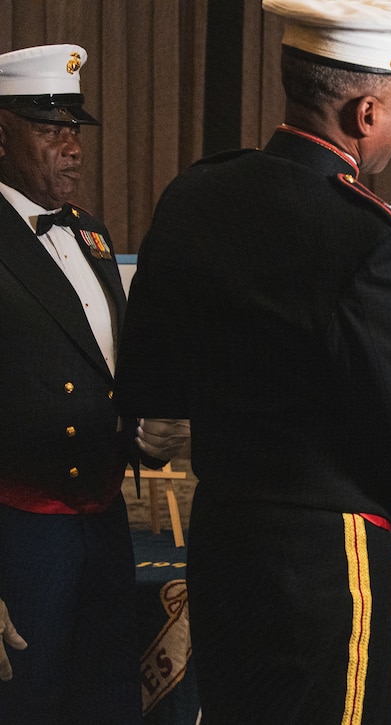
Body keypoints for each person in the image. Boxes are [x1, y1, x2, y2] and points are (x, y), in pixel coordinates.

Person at [114, 1, 391, 722]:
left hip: (223, 534)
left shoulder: (196, 193)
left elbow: (150, 381)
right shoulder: (376, 239)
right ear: (364, 113)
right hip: (327, 560)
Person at [0, 43, 151, 724]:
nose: (72, 147)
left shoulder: (90, 236)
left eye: (75, 131)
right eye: (49, 129)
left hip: (105, 521)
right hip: (20, 534)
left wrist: (149, 428)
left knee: (107, 701)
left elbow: (104, 373)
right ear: (1, 133)